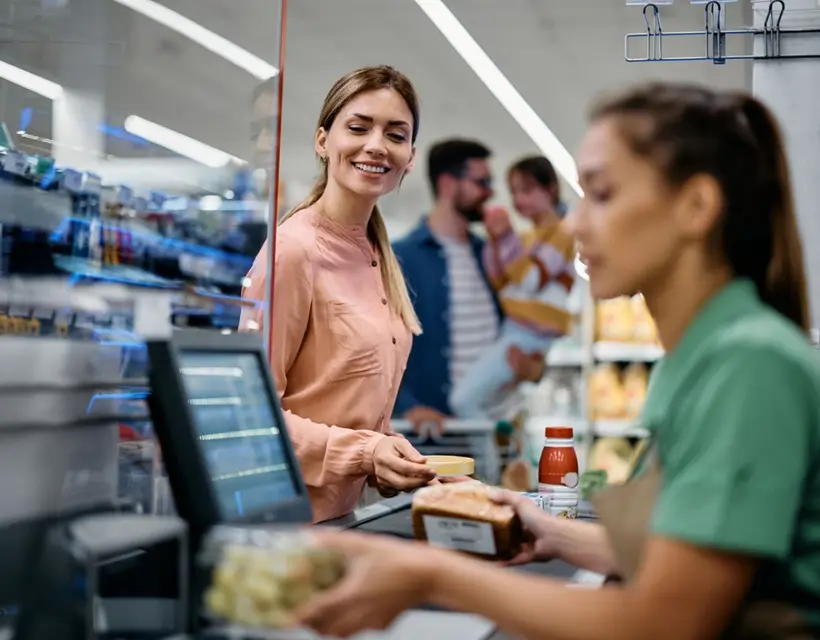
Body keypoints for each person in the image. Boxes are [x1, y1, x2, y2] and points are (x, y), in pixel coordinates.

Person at [293, 83, 820, 638]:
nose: (572, 224)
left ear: (695, 207)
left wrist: (429, 575)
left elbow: (665, 622)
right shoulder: (705, 356)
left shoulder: (747, 364)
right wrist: (546, 528)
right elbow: (681, 555)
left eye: (602, 194)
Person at [239, 66, 436, 523]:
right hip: (284, 527)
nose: (376, 145)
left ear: (409, 156)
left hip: (342, 522)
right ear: (322, 141)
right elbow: (251, 416)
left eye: (395, 134)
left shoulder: (377, 254)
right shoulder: (293, 251)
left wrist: (395, 462)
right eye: (358, 127)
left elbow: (347, 407)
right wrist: (366, 452)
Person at [449, 155, 576, 419]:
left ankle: (488, 457)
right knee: (487, 402)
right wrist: (496, 242)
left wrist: (506, 238)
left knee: (463, 401)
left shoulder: (562, 233)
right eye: (514, 192)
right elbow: (501, 282)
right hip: (515, 331)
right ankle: (494, 448)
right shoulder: (527, 237)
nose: (519, 200)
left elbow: (530, 280)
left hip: (528, 334)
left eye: (527, 190)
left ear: (551, 188)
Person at [391, 139, 502, 431]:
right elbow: (373, 348)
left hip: (491, 431)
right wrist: (407, 406)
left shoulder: (489, 254)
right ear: (447, 185)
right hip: (436, 438)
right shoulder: (401, 257)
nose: (490, 192)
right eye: (482, 181)